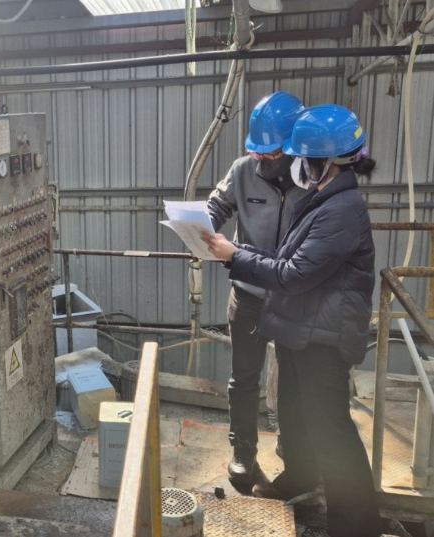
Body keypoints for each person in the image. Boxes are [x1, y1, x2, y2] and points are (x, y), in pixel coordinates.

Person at [202, 104, 383, 537]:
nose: (297, 165)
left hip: (323, 335)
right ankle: (298, 478)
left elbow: (292, 274)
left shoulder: (340, 209)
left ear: (323, 163)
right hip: (301, 327)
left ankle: (355, 528)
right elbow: (285, 257)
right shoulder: (326, 198)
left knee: (332, 432)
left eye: (302, 158)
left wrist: (234, 255)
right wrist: (237, 252)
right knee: (298, 413)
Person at [206, 91, 308, 485]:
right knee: (244, 377)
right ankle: (243, 450)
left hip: (294, 296)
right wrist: (202, 226)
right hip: (248, 295)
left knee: (294, 380)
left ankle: (293, 449)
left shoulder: (312, 178)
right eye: (258, 151)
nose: (262, 158)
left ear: (294, 145)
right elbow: (217, 206)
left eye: (272, 152)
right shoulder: (243, 170)